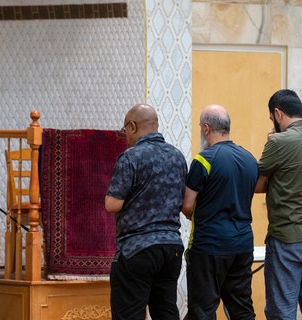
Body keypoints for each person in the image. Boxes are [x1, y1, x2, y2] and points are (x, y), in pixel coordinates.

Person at [105, 103, 187, 320]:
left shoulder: (131, 157)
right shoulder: (177, 156)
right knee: (166, 312)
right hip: (171, 249)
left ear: (132, 126)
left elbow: (112, 204)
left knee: (129, 315)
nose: (125, 136)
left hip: (137, 249)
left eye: (125, 130)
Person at [256, 89, 302, 319]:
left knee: (282, 309)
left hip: (290, 237)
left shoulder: (278, 142)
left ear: (278, 114)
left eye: (272, 118)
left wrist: (270, 142)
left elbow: (257, 185)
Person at [182, 104, 258, 320]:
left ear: (206, 128)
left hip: (209, 246)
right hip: (242, 245)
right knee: (242, 309)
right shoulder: (249, 159)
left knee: (202, 310)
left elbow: (187, 206)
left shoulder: (203, 159)